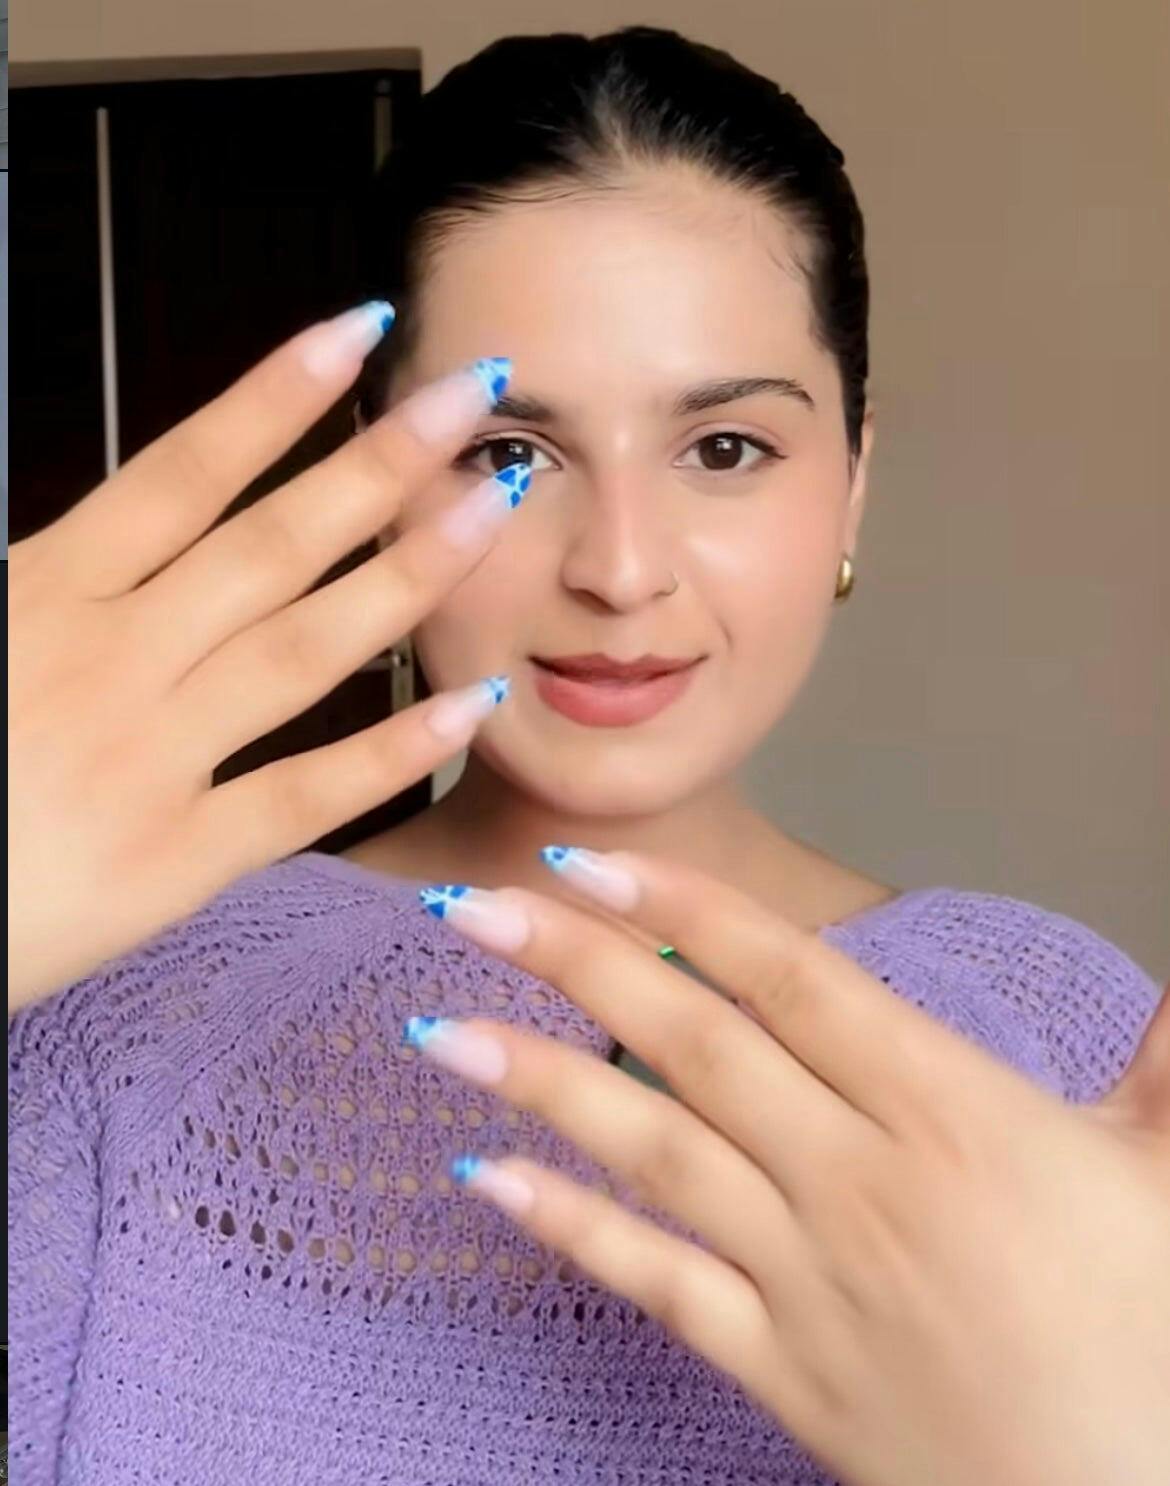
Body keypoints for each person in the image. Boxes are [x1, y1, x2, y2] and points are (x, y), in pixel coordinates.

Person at [8, 27, 1167, 1486]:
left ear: (853, 483)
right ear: (375, 482)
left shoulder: (1068, 1039)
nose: (618, 570)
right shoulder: (111, 1022)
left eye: (725, 448)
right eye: (509, 454)